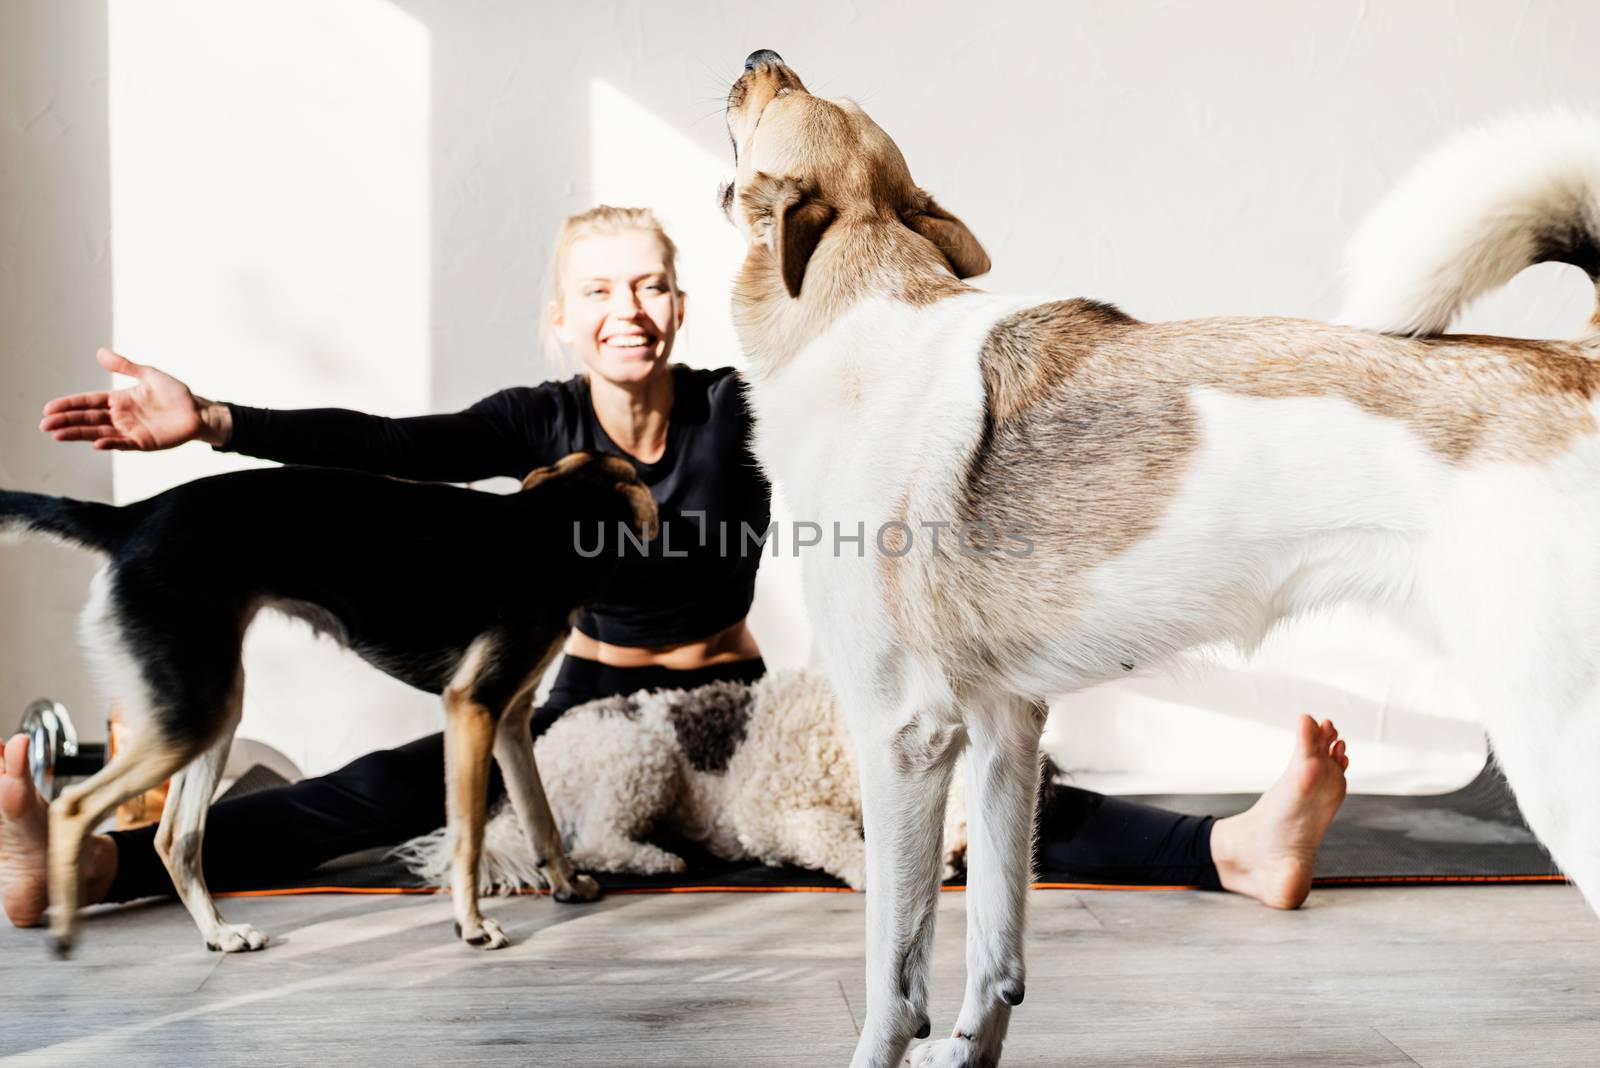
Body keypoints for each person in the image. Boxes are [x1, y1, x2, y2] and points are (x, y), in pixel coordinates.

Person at [0, 206, 1350, 930]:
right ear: (563, 317)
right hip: (581, 720)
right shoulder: (533, 426)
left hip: (744, 722)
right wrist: (219, 422)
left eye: (648, 284)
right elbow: (394, 448)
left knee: (952, 768)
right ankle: (102, 870)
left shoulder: (737, 410)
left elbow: (882, 433)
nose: (626, 309)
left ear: (679, 304)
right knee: (377, 791)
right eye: (598, 290)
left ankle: (1231, 852)